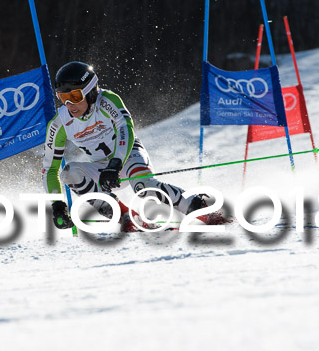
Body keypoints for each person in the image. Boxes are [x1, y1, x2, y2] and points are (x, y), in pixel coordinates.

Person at [42, 61, 225, 232]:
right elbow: (50, 169)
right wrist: (57, 205)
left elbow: (125, 128)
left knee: (144, 188)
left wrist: (115, 163)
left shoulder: (107, 101)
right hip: (102, 169)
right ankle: (126, 217)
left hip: (128, 155)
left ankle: (204, 210)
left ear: (90, 92)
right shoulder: (59, 124)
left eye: (75, 96)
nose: (69, 104)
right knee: (69, 172)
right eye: (63, 97)